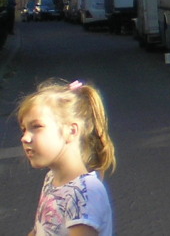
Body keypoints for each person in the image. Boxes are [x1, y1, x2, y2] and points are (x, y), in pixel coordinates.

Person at [17, 79, 115, 236]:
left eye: (36, 126)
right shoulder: (52, 179)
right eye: (24, 129)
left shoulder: (85, 194)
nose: (25, 138)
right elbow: (41, 230)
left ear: (71, 130)